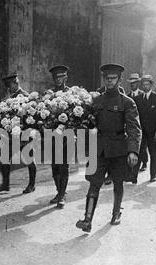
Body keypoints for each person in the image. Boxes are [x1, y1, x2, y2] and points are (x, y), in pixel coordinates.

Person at [76, 63, 141, 232]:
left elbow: (134, 127)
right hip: (99, 149)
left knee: (118, 182)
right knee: (94, 183)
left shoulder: (127, 102)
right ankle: (87, 219)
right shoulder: (96, 100)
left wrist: (133, 150)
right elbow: (88, 124)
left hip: (119, 149)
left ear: (119, 80)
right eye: (106, 78)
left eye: (113, 78)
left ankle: (116, 213)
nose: (109, 81)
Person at [0, 73, 37, 194]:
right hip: (10, 136)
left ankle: (32, 185)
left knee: (28, 159)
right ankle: (5, 184)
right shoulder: (8, 98)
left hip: (24, 134)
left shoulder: (25, 96)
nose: (7, 88)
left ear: (16, 83)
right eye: (6, 86)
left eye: (9, 85)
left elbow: (31, 116)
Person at [133, 75, 156, 183]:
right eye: (143, 84)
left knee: (153, 153)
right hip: (141, 132)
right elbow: (135, 116)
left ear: (151, 85)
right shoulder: (137, 99)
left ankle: (153, 174)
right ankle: (133, 176)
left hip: (154, 132)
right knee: (138, 152)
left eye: (147, 84)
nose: (145, 86)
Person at [47, 65, 72, 208]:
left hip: (66, 136)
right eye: (56, 77)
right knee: (54, 166)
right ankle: (59, 191)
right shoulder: (49, 94)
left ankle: (62, 195)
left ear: (65, 78)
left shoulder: (72, 94)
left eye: (61, 77)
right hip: (51, 136)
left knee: (63, 166)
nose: (58, 79)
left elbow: (75, 117)